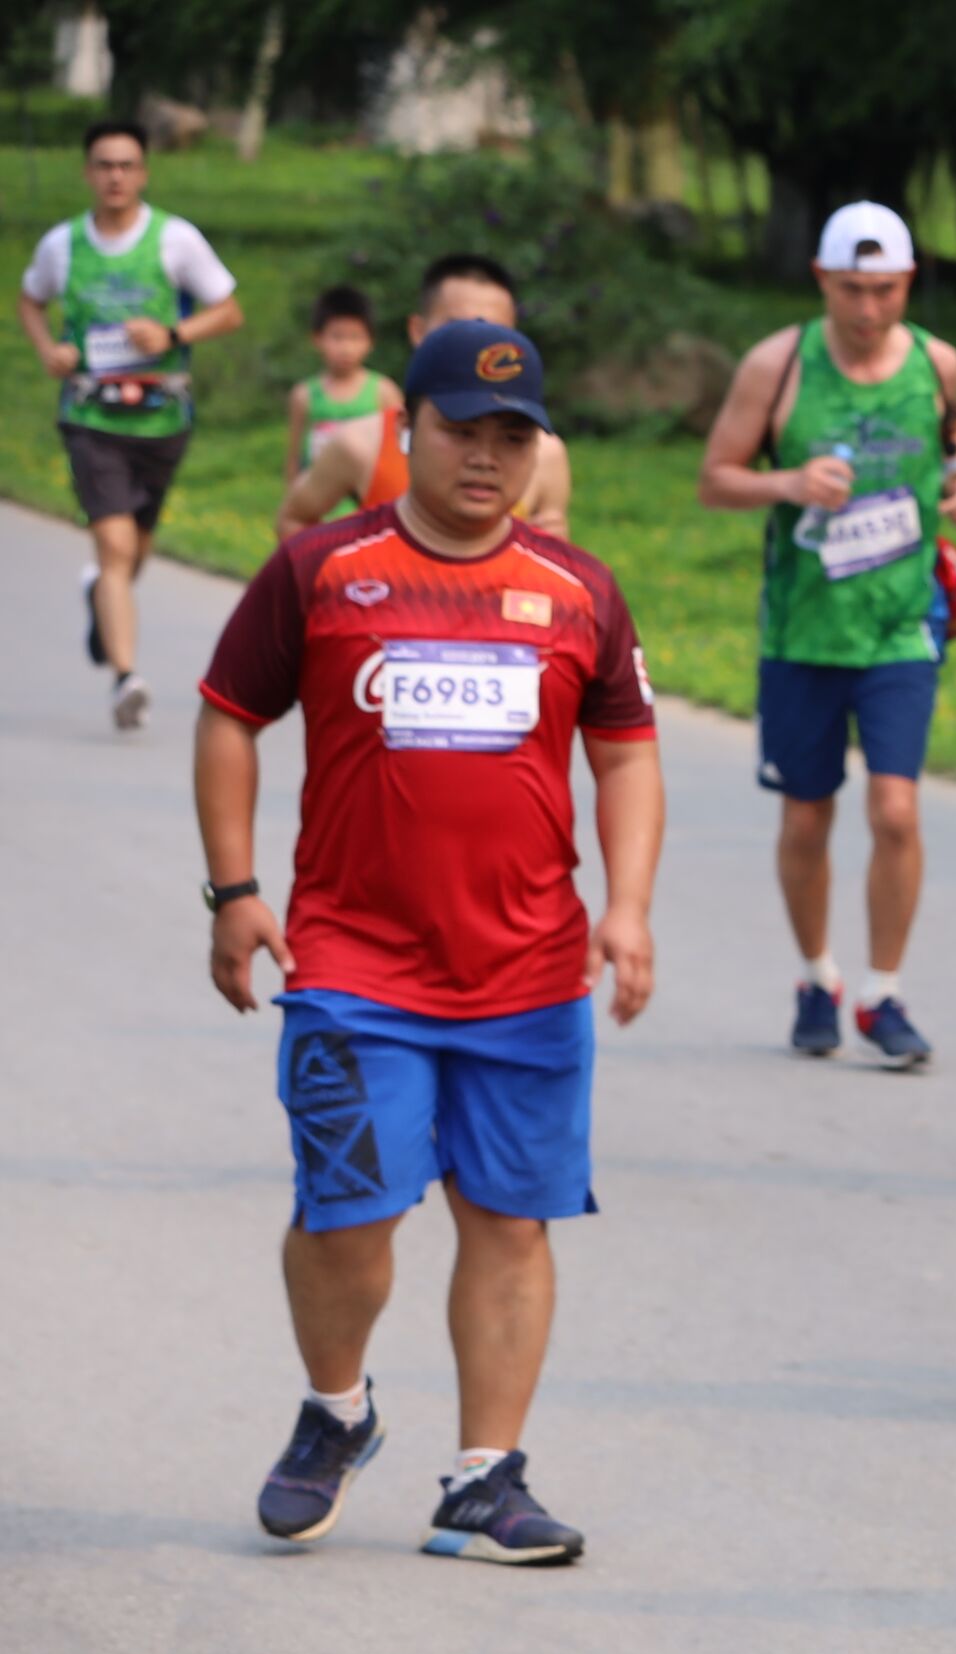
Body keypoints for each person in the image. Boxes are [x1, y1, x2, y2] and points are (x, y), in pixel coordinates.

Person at [204, 321, 661, 1567]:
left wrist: (626, 906)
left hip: (526, 972)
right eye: (464, 429)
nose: (488, 456)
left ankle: (483, 1480)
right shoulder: (321, 568)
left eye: (515, 436)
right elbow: (231, 715)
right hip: (354, 963)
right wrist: (233, 890)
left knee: (511, 1220)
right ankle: (336, 1410)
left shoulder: (578, 591)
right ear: (408, 428)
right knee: (348, 1211)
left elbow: (625, 750)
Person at [697, 201, 956, 1070]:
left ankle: (882, 993)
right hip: (804, 629)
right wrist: (787, 483)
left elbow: (955, 443)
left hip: (901, 625)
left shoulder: (937, 361)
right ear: (822, 280)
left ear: (907, 285)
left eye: (886, 290)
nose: (868, 310)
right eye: (852, 290)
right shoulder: (777, 366)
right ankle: (816, 977)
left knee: (895, 808)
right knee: (807, 815)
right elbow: (715, 479)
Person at [20, 116, 242, 733]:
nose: (115, 176)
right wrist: (50, 352)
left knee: (135, 551)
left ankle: (103, 599)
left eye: (126, 165)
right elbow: (30, 300)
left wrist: (172, 333)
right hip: (91, 415)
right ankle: (127, 678)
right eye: (103, 165)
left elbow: (228, 310)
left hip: (162, 416)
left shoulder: (175, 240)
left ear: (143, 172)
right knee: (115, 547)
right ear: (87, 172)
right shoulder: (62, 245)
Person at [277, 255, 580, 543]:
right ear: (418, 331)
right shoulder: (360, 443)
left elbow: (552, 551)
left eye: (492, 331)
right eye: (456, 327)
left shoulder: (546, 454)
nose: (474, 345)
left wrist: (554, 542)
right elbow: (295, 520)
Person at [285, 283, 393, 485]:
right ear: (317, 339)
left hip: (369, 505)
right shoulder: (304, 395)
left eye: (355, 337)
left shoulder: (384, 391)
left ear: (370, 341)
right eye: (337, 337)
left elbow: (397, 452)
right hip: (320, 509)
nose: (346, 348)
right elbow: (294, 458)